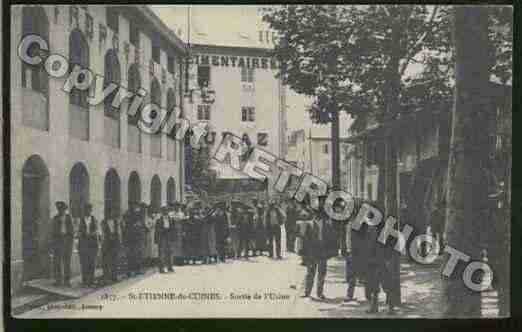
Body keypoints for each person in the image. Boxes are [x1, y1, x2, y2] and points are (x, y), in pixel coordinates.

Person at [301, 202, 337, 299]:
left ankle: (319, 293)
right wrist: (304, 254)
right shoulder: (309, 224)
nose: (317, 215)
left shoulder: (327, 225)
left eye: (319, 213)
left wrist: (331, 251)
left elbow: (331, 239)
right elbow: (305, 239)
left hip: (322, 252)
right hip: (312, 252)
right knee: (310, 273)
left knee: (321, 274)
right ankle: (307, 292)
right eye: (315, 213)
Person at [51, 201, 74, 287]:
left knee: (67, 262)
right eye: (59, 209)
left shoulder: (69, 218)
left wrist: (69, 240)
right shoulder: (56, 218)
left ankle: (67, 281)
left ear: (65, 209)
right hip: (58, 241)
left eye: (62, 209)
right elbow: (53, 231)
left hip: (67, 241)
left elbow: (72, 230)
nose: (60, 211)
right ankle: (58, 280)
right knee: (57, 261)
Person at [78, 203, 99, 287]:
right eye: (86, 210)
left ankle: (91, 280)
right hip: (83, 244)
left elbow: (97, 230)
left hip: (92, 244)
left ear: (91, 210)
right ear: (84, 211)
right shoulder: (81, 220)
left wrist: (92, 233)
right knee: (84, 262)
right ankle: (85, 280)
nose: (88, 211)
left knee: (92, 262)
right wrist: (82, 234)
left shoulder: (94, 219)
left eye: (89, 210)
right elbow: (79, 231)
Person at [101, 210, 121, 284]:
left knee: (114, 260)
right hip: (107, 243)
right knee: (106, 261)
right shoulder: (103, 222)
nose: (109, 214)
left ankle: (114, 276)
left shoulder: (116, 222)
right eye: (107, 213)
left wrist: (119, 241)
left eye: (110, 213)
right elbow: (103, 233)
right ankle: (106, 277)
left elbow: (118, 232)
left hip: (114, 243)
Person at [155, 207, 173, 273]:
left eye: (167, 211)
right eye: (164, 211)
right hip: (162, 237)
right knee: (161, 253)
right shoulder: (159, 220)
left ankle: (170, 267)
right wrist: (156, 239)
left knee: (169, 252)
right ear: (162, 212)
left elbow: (172, 229)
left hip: (168, 236)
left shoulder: (171, 219)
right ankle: (161, 268)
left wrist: (172, 237)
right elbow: (156, 230)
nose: (166, 212)